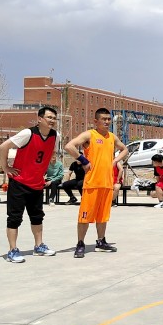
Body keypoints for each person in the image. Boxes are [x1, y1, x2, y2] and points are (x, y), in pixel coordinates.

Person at [64, 108, 128, 258]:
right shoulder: (89, 135)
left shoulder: (112, 137)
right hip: (92, 183)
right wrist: (84, 161)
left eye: (108, 119)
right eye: (103, 119)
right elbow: (69, 146)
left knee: (103, 216)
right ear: (96, 121)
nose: (107, 122)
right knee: (84, 216)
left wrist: (115, 161)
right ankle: (80, 244)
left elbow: (124, 149)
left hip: (107, 183)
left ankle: (101, 241)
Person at [0, 106, 59, 263]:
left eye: (54, 118)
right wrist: (5, 167)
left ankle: (39, 246)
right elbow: (3, 147)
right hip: (19, 183)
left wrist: (42, 170)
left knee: (37, 217)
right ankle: (12, 250)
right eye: (49, 117)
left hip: (37, 183)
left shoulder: (55, 136)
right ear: (40, 119)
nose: (52, 120)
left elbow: (49, 154)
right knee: (14, 218)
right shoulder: (28, 133)